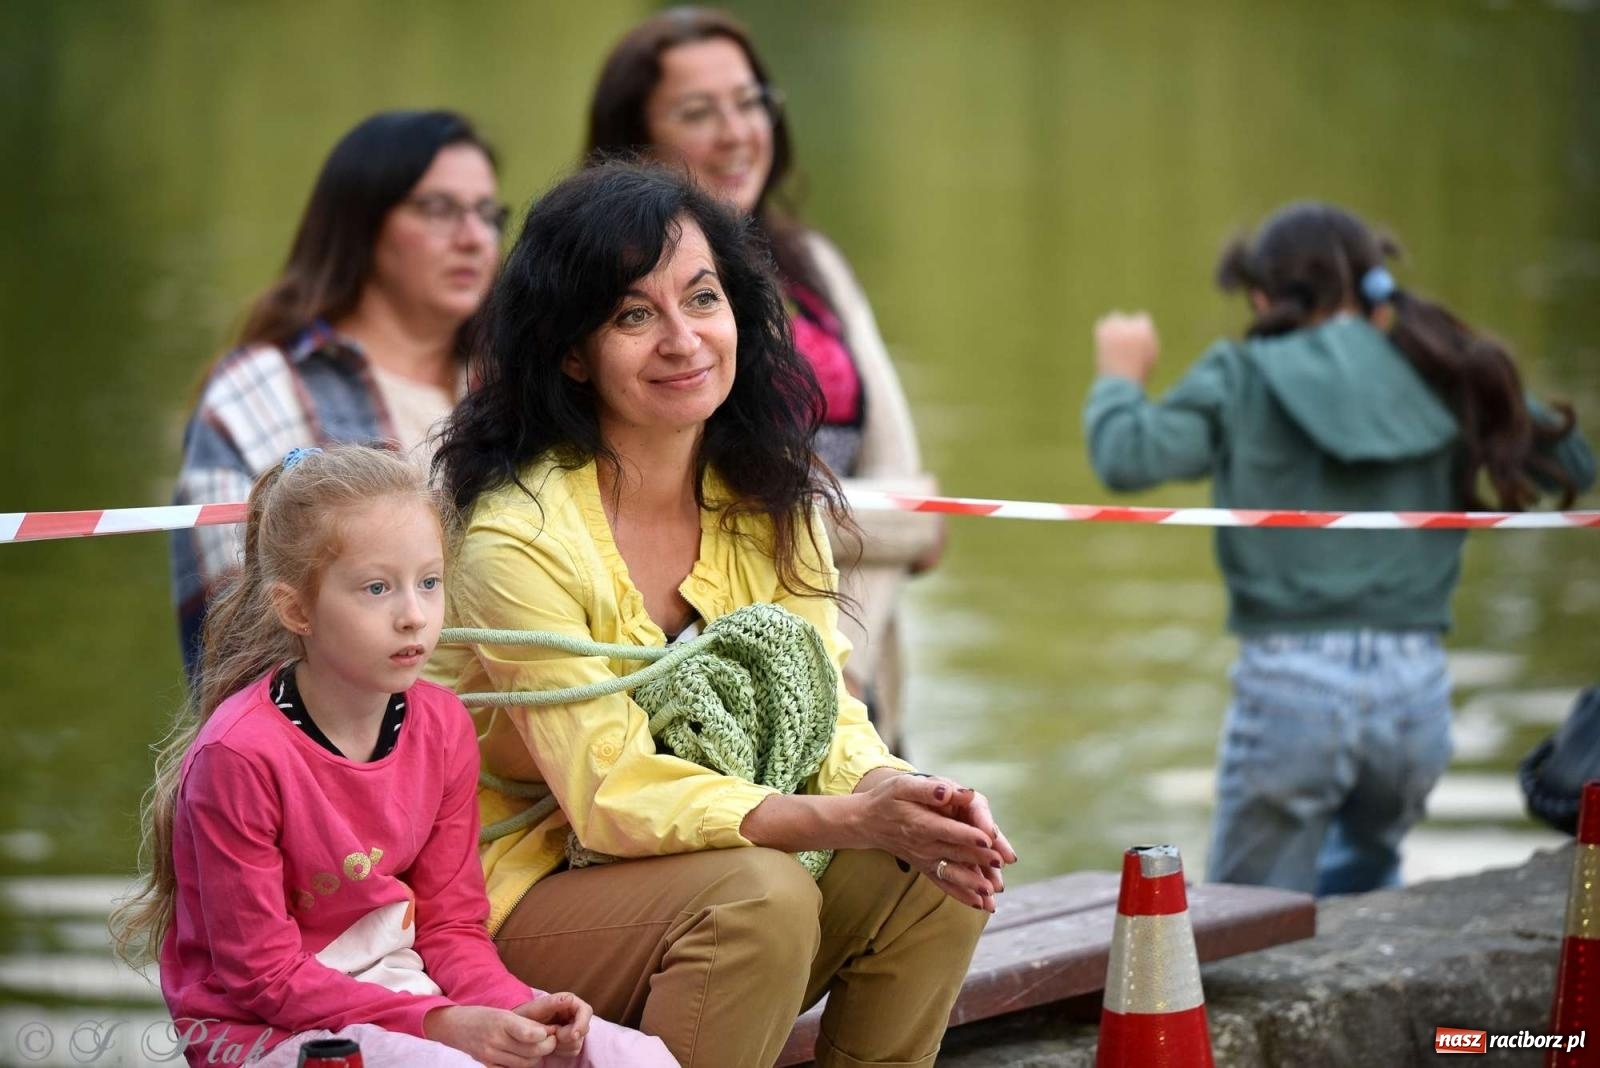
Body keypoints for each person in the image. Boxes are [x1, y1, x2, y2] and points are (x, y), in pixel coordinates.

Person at [428, 162, 1014, 1068]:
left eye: (701, 298)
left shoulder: (766, 497)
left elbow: (827, 710)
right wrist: (842, 822)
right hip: (510, 904)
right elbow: (610, 798)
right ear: (572, 353)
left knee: (937, 871)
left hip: (709, 875)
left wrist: (897, 795)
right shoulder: (519, 537)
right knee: (760, 896)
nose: (682, 339)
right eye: (633, 315)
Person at [1083, 202, 1596, 896]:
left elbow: (1126, 456)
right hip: (1415, 695)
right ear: (1371, 286)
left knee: (1245, 920)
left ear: (1261, 295)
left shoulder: (1242, 374)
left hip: (1291, 686)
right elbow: (1571, 461)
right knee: (1365, 903)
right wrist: (1463, 365)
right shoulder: (1441, 368)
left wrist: (1120, 375)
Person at [111, 445, 675, 1068]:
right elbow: (263, 979)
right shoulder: (239, 757)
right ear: (296, 609)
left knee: (630, 1055)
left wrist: (513, 1011)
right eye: (377, 588)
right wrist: (441, 1026)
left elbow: (451, 928)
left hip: (403, 997)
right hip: (259, 1031)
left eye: (428, 582)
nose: (413, 616)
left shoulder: (442, 725)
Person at [585, 7, 942, 746]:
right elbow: (715, 512)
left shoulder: (815, 264)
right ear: (635, 139)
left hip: (861, 673)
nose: (737, 132)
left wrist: (848, 665)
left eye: (751, 102)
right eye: (698, 112)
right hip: (718, 681)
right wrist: (888, 526)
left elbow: (912, 495)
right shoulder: (593, 288)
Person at [170, 109, 505, 676]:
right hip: (346, 748)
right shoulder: (259, 391)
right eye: (439, 210)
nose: (475, 239)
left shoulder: (518, 379)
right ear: (363, 222)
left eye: (488, 214)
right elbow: (233, 633)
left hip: (530, 728)